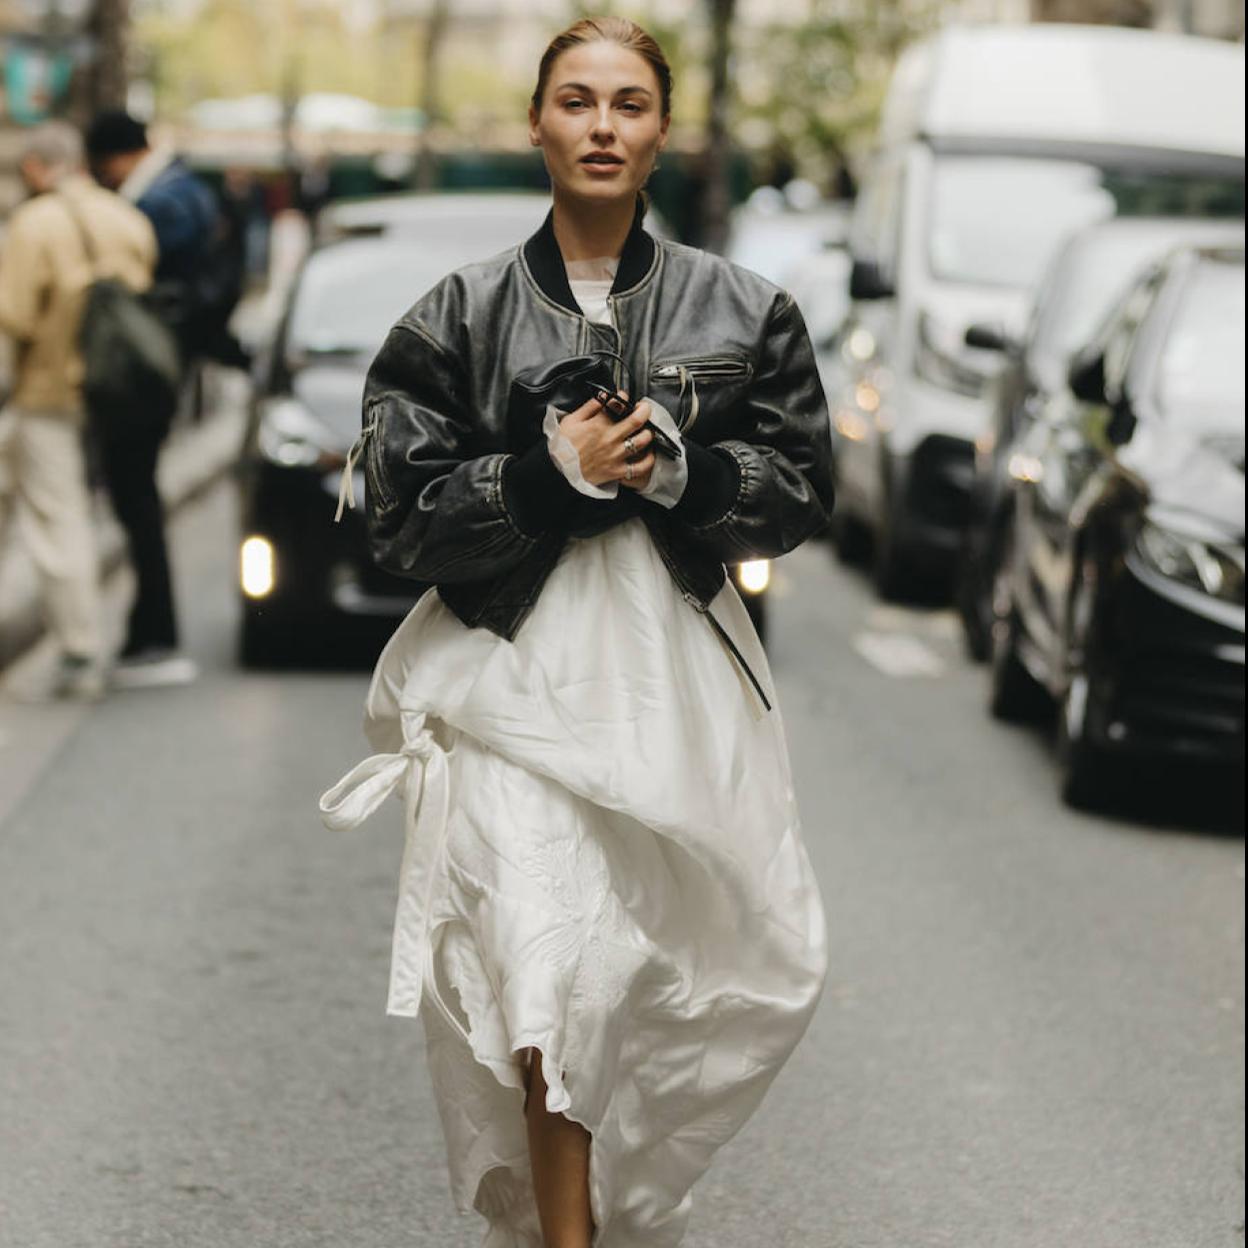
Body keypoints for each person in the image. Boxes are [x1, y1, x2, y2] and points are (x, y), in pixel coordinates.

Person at [320, 17, 833, 1247]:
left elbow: (803, 489)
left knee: (708, 967)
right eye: (578, 101)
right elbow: (398, 517)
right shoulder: (457, 315)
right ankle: (568, 1236)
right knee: (549, 960)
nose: (603, 125)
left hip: (675, 683)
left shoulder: (748, 309)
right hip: (508, 679)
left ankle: (622, 1194)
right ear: (538, 124)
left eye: (629, 104)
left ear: (663, 132)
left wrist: (680, 471)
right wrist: (548, 476)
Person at [0, 122, 156, 700]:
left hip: (48, 392)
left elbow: (14, 314)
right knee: (82, 510)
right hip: (114, 390)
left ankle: (79, 648)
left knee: (57, 518)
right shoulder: (126, 218)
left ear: (36, 167)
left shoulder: (33, 223)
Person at [82, 110, 214, 686]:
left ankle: (154, 635)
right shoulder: (181, 189)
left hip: (145, 371)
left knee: (136, 499)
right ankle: (148, 630)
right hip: (164, 368)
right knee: (139, 499)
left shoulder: (162, 203)